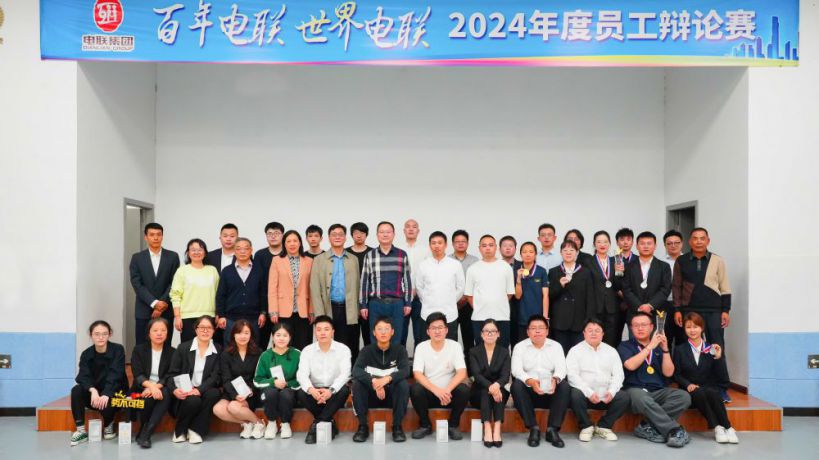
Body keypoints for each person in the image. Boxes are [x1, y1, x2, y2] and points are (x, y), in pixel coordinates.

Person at [672, 227, 733, 403]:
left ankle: (721, 388)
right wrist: (677, 310)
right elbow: (676, 286)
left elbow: (725, 286)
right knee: (687, 349)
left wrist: (725, 310)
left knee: (716, 347)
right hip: (689, 310)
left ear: (708, 241)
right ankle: (686, 385)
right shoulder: (682, 260)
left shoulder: (717, 260)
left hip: (714, 310)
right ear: (690, 241)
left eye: (702, 238)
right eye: (695, 238)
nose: (699, 241)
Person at [618, 312, 691, 448]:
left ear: (652, 327)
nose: (640, 328)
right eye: (636, 325)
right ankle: (674, 430)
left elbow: (668, 373)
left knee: (683, 396)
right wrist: (649, 347)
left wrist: (665, 350)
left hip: (657, 391)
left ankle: (646, 426)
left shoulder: (659, 347)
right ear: (631, 328)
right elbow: (630, 365)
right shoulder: (625, 346)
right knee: (641, 397)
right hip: (634, 392)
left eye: (644, 325)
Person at [673, 313, 737, 444]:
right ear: (684, 329)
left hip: (708, 388)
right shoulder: (679, 350)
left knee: (713, 393)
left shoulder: (711, 348)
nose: (692, 330)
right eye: (688, 327)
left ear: (702, 328)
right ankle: (717, 428)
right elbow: (676, 374)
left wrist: (718, 358)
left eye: (695, 327)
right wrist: (687, 384)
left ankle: (728, 428)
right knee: (699, 392)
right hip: (690, 391)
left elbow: (722, 377)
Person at [510, 315, 569, 448]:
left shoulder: (556, 346)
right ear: (528, 332)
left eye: (541, 328)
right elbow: (516, 370)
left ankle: (552, 429)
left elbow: (561, 369)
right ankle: (533, 428)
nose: (537, 331)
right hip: (529, 391)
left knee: (564, 386)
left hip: (550, 390)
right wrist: (530, 381)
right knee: (516, 385)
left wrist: (555, 379)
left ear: (547, 331)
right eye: (533, 328)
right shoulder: (520, 347)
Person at [566, 319, 629, 442]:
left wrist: (611, 392)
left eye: (597, 330)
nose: (593, 333)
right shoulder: (575, 351)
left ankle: (604, 426)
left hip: (606, 396)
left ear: (603, 333)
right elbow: (572, 376)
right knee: (574, 394)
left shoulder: (611, 351)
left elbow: (619, 375)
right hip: (585, 396)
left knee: (624, 397)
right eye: (590, 330)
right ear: (584, 333)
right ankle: (586, 427)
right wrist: (589, 393)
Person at [410, 313, 469, 441]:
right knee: (415, 389)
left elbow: (462, 372)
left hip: (449, 395)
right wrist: (436, 391)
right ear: (428, 331)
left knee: (464, 390)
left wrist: (446, 390)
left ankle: (453, 425)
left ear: (446, 330)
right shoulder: (421, 347)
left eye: (440, 327)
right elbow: (417, 374)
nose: (437, 331)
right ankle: (425, 425)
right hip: (430, 394)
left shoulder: (455, 346)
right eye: (433, 328)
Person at [351, 316, 410, 443]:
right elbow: (356, 370)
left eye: (386, 329)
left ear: (392, 332)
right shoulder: (366, 351)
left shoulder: (400, 350)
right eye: (380, 329)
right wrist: (374, 382)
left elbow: (406, 371)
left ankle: (397, 427)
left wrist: (387, 379)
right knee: (357, 384)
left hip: (391, 397)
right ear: (374, 332)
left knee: (403, 385)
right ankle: (362, 427)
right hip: (371, 396)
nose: (383, 332)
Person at [70, 321, 127, 446]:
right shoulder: (86, 354)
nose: (100, 337)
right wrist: (93, 390)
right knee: (76, 390)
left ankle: (108, 425)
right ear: (91, 335)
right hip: (95, 394)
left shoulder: (118, 350)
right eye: (97, 334)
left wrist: (106, 394)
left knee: (109, 400)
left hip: (115, 391)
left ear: (109, 334)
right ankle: (81, 430)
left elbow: (116, 375)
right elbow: (83, 376)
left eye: (104, 334)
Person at [296, 315, 352, 444]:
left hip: (334, 389)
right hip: (315, 389)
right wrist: (311, 390)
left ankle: (316, 424)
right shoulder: (307, 350)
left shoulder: (343, 349)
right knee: (301, 393)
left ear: (333, 332)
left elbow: (345, 374)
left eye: (326, 329)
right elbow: (301, 374)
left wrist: (330, 391)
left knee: (344, 391)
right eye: (319, 329)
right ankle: (328, 420)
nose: (322, 333)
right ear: (315, 333)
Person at [167, 315, 222, 444]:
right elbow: (172, 374)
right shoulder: (183, 348)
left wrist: (199, 390)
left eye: (209, 328)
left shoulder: (218, 349)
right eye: (202, 327)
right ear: (195, 330)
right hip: (185, 391)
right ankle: (180, 430)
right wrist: (175, 390)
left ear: (214, 331)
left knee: (214, 393)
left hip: (205, 389)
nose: (205, 331)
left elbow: (216, 376)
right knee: (193, 401)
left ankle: (196, 430)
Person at [311, 224, 361, 364]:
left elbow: (358, 285)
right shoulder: (319, 259)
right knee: (330, 342)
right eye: (334, 234)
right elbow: (315, 288)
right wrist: (320, 314)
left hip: (349, 308)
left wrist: (358, 308)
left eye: (340, 234)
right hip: (330, 307)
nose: (337, 237)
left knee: (351, 342)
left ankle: (351, 372)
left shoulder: (353, 259)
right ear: (329, 238)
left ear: (345, 237)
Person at [359, 221, 413, 344]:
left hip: (397, 304)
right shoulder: (370, 255)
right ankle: (378, 358)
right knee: (376, 339)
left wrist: (408, 303)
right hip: (376, 304)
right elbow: (364, 282)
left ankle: (394, 358)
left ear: (393, 234)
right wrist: (363, 305)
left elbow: (407, 280)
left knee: (396, 338)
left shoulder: (401, 254)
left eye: (388, 232)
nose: (385, 234)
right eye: (382, 232)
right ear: (377, 235)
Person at [129, 222, 180, 345]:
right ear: (146, 237)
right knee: (142, 346)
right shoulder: (137, 258)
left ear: (162, 236)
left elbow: (174, 283)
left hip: (166, 310)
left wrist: (162, 303)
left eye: (158, 234)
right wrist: (155, 303)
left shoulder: (172, 256)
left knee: (165, 346)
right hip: (144, 310)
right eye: (152, 235)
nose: (156, 238)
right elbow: (137, 284)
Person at [213, 320, 265, 439]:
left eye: (246, 333)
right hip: (231, 391)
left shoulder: (258, 353)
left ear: (251, 335)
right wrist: (235, 395)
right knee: (218, 409)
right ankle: (248, 424)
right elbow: (226, 379)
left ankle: (260, 424)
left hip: (251, 392)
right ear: (233, 335)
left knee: (233, 407)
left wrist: (250, 390)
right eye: (239, 333)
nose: (242, 336)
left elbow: (260, 376)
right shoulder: (226, 354)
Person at [130, 318, 175, 448]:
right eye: (155, 330)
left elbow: (170, 375)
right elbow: (138, 374)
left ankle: (147, 432)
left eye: (163, 330)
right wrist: (150, 386)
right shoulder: (138, 350)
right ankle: (144, 430)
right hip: (141, 388)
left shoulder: (173, 352)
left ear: (167, 333)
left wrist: (156, 387)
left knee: (165, 392)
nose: (159, 333)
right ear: (149, 333)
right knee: (148, 398)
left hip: (162, 387)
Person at [464, 235, 515, 348]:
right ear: (479, 248)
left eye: (491, 245)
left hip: (501, 316)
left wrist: (498, 303)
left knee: (502, 349)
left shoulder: (505, 267)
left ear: (496, 247)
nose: (488, 248)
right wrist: (479, 306)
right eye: (484, 245)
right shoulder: (473, 268)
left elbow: (510, 292)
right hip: (479, 317)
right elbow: (469, 295)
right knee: (481, 350)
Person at [253, 322, 301, 440]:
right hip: (269, 390)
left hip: (289, 389)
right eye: (278, 335)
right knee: (270, 393)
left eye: (285, 335)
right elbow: (257, 380)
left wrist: (288, 384)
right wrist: (272, 382)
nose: (281, 338)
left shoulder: (297, 354)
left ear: (290, 337)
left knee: (286, 394)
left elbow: (302, 378)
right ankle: (272, 423)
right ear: (273, 337)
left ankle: (285, 424)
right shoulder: (265, 355)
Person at [415, 231, 464, 341]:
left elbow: (460, 287)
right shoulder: (423, 265)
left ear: (446, 245)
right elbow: (419, 287)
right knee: (427, 345)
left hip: (449, 313)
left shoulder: (455, 264)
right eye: (433, 243)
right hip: (427, 313)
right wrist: (427, 300)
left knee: (450, 345)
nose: (436, 246)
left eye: (440, 243)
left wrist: (451, 299)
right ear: (430, 245)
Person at [468, 319, 511, 448]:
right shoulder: (474, 352)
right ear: (481, 334)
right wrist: (491, 387)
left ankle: (497, 429)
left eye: (493, 331)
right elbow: (477, 375)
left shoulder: (504, 352)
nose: (490, 334)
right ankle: (487, 428)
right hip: (478, 393)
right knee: (485, 392)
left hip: (499, 390)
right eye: (486, 331)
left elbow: (505, 375)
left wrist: (496, 386)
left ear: (498, 334)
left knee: (498, 392)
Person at [548, 240, 596, 354]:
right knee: (561, 353)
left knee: (579, 353)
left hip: (579, 320)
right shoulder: (554, 272)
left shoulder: (585, 272)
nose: (568, 252)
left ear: (577, 252)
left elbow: (590, 298)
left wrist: (589, 320)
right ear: (561, 252)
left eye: (571, 250)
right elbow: (549, 296)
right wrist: (559, 285)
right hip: (560, 320)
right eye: (565, 250)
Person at [268, 230, 314, 350]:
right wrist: (273, 311)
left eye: (295, 241)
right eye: (288, 241)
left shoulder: (309, 261)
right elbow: (272, 287)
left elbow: (312, 288)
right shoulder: (277, 260)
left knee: (303, 344)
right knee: (283, 344)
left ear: (300, 243)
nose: (292, 244)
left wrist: (311, 311)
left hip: (303, 311)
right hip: (283, 310)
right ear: (284, 244)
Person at [216, 237, 267, 344]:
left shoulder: (259, 270)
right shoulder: (227, 271)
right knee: (230, 348)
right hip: (231, 319)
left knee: (253, 348)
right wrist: (221, 316)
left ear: (251, 250)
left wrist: (263, 313)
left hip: (254, 318)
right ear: (234, 251)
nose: (242, 251)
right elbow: (221, 295)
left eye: (246, 248)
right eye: (238, 248)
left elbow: (263, 294)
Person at [170, 238, 220, 342]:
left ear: (205, 253)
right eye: (193, 250)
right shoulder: (182, 271)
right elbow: (175, 295)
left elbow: (218, 294)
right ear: (188, 253)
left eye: (200, 249)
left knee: (208, 347)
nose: (196, 252)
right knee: (188, 348)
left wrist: (218, 314)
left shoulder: (212, 270)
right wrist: (177, 317)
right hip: (187, 318)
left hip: (209, 316)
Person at [622, 232, 672, 328]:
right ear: (637, 246)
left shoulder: (664, 266)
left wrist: (650, 305)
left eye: (649, 243)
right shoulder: (628, 266)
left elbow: (665, 289)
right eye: (642, 243)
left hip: (656, 313)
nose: (646, 246)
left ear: (655, 246)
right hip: (635, 313)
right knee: (635, 338)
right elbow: (626, 289)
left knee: (656, 337)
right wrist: (640, 306)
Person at [255, 222, 286, 349]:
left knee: (282, 340)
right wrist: (262, 310)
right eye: (270, 233)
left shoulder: (287, 253)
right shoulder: (259, 255)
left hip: (283, 305)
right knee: (260, 342)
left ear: (282, 235)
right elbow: (258, 282)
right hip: (264, 304)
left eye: (276, 233)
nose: (273, 236)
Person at [589, 231, 623, 347]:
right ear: (594, 244)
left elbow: (618, 285)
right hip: (594, 306)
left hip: (612, 307)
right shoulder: (588, 262)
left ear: (609, 244)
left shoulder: (616, 260)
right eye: (599, 242)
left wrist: (619, 272)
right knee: (594, 339)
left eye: (605, 242)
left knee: (611, 340)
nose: (602, 244)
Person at [449, 229, 479, 357]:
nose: (460, 244)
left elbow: (477, 282)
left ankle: (470, 366)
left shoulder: (475, 260)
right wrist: (455, 298)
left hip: (468, 304)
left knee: (469, 337)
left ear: (468, 243)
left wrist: (466, 297)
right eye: (457, 241)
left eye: (463, 241)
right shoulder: (447, 260)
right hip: (451, 304)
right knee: (451, 338)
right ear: (452, 243)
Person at [402, 219, 430, 347]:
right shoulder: (398, 250)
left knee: (420, 334)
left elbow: (429, 274)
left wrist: (417, 289)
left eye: (414, 227)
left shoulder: (426, 251)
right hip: (402, 297)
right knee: (400, 333)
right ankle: (400, 359)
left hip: (420, 297)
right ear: (404, 231)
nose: (411, 229)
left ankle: (419, 359)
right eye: (408, 226)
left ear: (418, 231)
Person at [513, 242, 549, 345]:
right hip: (522, 316)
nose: (528, 254)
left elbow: (545, 295)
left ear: (535, 254)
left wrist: (545, 317)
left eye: (531, 252)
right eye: (524, 252)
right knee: (522, 345)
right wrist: (518, 278)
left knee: (539, 344)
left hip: (538, 316)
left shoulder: (541, 271)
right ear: (520, 254)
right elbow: (517, 296)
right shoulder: (516, 271)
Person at [347, 221, 373, 347]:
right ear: (352, 235)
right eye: (356, 232)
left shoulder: (373, 253)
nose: (359, 235)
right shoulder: (345, 253)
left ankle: (369, 358)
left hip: (369, 300)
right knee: (351, 337)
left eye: (362, 233)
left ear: (366, 235)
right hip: (350, 300)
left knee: (369, 336)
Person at [660, 230, 685, 348]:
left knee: (683, 338)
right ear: (665, 245)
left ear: (682, 243)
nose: (673, 246)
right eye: (669, 243)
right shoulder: (660, 263)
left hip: (684, 305)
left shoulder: (688, 261)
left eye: (676, 242)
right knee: (665, 338)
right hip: (665, 304)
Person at [500, 235, 522, 345]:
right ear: (499, 249)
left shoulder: (523, 266)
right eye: (505, 246)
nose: (508, 248)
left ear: (515, 249)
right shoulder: (495, 266)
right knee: (501, 342)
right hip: (500, 309)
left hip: (519, 309)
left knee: (517, 342)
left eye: (511, 246)